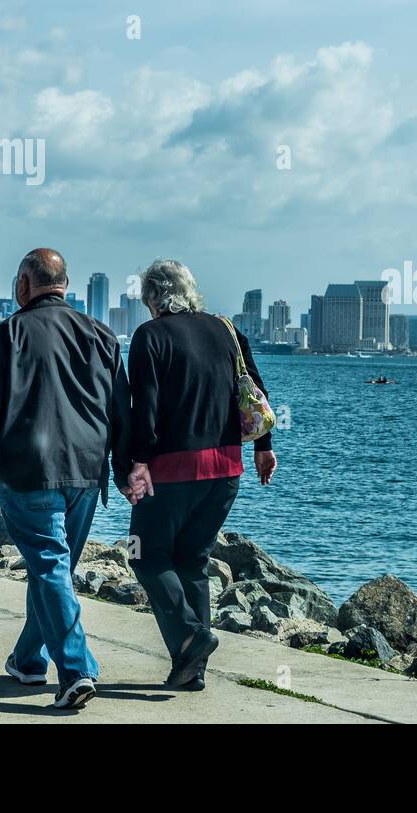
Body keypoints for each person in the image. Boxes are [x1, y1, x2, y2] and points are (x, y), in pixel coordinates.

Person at [0, 248, 135, 709]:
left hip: (28, 470)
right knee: (53, 569)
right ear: (65, 284)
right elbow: (121, 412)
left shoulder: (6, 336)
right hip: (86, 471)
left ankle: (77, 671)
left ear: (25, 282)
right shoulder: (102, 335)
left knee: (49, 567)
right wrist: (123, 470)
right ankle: (27, 661)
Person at [123, 258, 276, 690]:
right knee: (192, 560)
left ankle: (191, 637)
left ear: (152, 297)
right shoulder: (225, 329)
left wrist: (137, 464)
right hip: (226, 469)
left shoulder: (150, 336)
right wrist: (264, 449)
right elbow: (255, 389)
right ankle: (193, 671)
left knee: (143, 554)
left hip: (172, 469)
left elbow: (145, 411)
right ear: (190, 291)